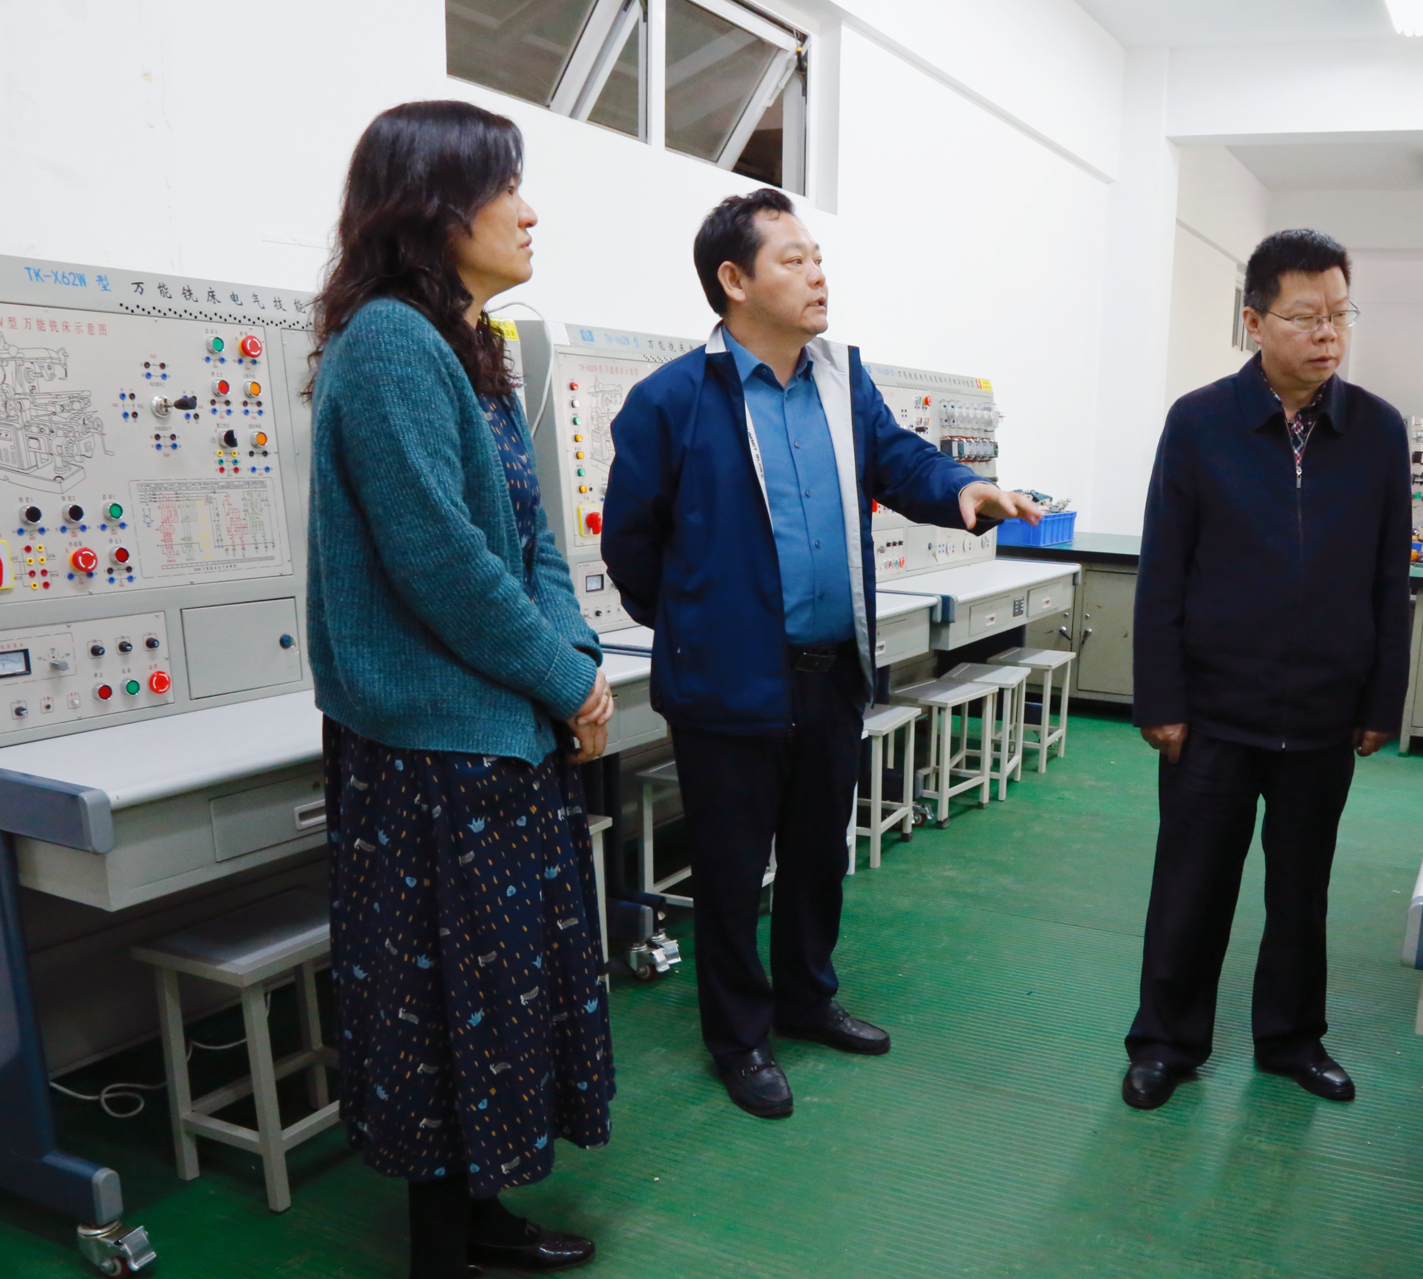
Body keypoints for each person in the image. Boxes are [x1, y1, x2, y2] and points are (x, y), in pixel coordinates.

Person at [601, 188, 1041, 1118]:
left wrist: (963, 489)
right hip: (727, 683)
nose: (817, 274)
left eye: (818, 257)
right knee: (731, 872)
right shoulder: (671, 402)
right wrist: (698, 628)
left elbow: (902, 461)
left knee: (816, 853)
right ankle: (739, 1037)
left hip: (831, 670)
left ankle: (806, 998)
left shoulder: (843, 380)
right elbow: (632, 549)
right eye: (793, 259)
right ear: (734, 280)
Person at [307, 101, 614, 1277]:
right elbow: (443, 562)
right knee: (443, 1008)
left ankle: (481, 1215)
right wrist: (563, 681)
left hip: (496, 733)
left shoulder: (469, 344)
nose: (529, 212)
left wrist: (577, 667)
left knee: (498, 992)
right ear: (434, 209)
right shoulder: (390, 344)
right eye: (507, 189)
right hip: (430, 754)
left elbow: (533, 541)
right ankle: (444, 1244)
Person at [1121, 229, 1411, 1111]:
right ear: (1253, 321)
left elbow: (1388, 578)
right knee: (1191, 887)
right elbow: (1163, 569)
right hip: (1213, 710)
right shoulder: (1200, 422)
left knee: (1301, 889)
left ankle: (1291, 1039)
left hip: (1323, 711)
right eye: (1304, 316)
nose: (1327, 334)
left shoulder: (1377, 431)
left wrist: (1381, 700)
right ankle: (1166, 1042)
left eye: (1340, 315)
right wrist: (1161, 697)